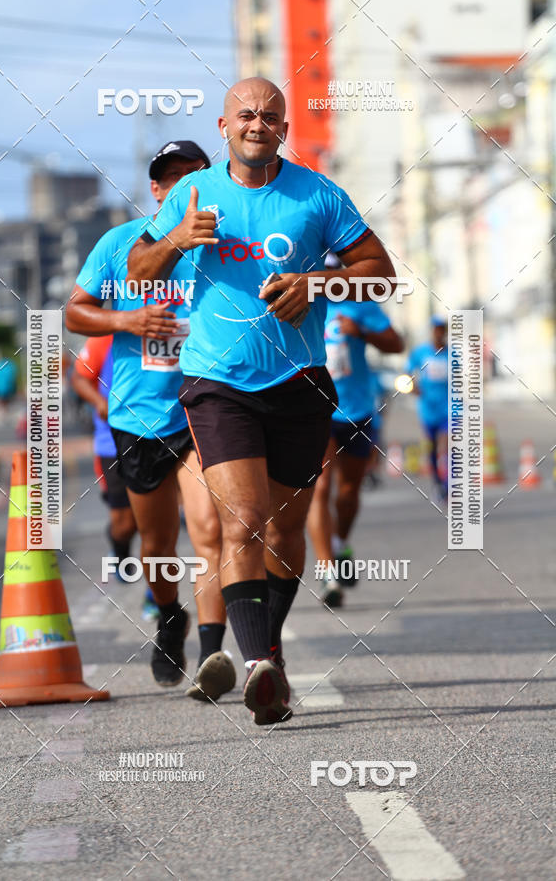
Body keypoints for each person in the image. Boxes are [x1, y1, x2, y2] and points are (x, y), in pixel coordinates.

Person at [126, 77, 397, 724]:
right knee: (243, 520)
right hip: (218, 383)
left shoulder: (317, 194)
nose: (257, 124)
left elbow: (380, 272)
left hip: (300, 384)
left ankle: (264, 649)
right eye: (245, 114)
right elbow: (138, 272)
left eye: (270, 116)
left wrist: (317, 281)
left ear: (283, 128)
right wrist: (173, 242)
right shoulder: (193, 195)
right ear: (224, 127)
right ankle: (261, 668)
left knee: (284, 529)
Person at [65, 141, 235, 702]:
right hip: (138, 415)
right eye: (169, 179)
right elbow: (74, 312)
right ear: (156, 190)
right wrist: (127, 318)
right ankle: (170, 618)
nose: (181, 186)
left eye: (194, 176)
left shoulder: (226, 245)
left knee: (210, 529)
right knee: (157, 544)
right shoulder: (119, 245)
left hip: (205, 405)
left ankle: (214, 651)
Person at [307, 299, 403, 607]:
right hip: (316, 411)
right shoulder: (301, 297)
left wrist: (361, 330)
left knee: (348, 492)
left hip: (357, 411)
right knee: (319, 487)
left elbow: (395, 344)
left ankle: (341, 543)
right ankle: (327, 572)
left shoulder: (360, 304)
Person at [71, 336, 163, 620]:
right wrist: (99, 402)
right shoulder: (103, 339)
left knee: (158, 525)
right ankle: (120, 549)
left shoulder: (169, 324)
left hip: (162, 437)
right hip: (113, 443)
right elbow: (79, 378)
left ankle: (156, 596)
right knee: (125, 525)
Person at [406, 317, 449, 500]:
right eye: (436, 329)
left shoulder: (452, 354)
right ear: (432, 331)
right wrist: (412, 386)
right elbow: (407, 373)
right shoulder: (421, 352)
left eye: (442, 329)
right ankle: (437, 482)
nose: (439, 333)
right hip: (427, 408)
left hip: (448, 407)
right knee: (431, 447)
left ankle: (449, 484)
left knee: (448, 445)